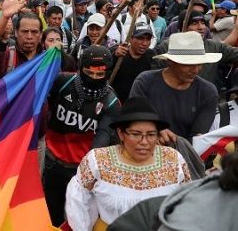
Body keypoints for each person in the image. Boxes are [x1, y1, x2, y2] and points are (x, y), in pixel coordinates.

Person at [65, 97, 191, 231]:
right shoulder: (98, 160)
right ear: (121, 134)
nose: (144, 142)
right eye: (136, 134)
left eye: (151, 134)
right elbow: (79, 200)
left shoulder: (173, 159)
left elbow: (186, 202)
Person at [43, 45, 121, 226]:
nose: (94, 78)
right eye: (89, 73)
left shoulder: (111, 102)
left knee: (75, 219)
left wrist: (88, 173)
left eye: (100, 75)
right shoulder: (62, 82)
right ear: (80, 69)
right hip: (51, 161)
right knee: (50, 213)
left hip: (80, 170)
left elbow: (101, 139)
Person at [131, 31, 220, 142]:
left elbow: (197, 138)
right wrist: (154, 131)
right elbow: (134, 119)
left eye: (199, 64)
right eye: (188, 64)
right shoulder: (145, 82)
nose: (195, 70)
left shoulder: (207, 92)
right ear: (170, 62)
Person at [0, 12, 43, 79]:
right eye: (24, 31)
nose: (29, 36)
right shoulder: (8, 54)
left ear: (41, 34)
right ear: (16, 32)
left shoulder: (47, 58)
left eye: (34, 32)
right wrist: (2, 42)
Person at [109, 22, 156, 102]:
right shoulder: (119, 53)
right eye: (140, 38)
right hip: (117, 103)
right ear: (131, 38)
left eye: (148, 39)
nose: (144, 43)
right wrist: (114, 56)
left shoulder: (151, 55)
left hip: (139, 104)